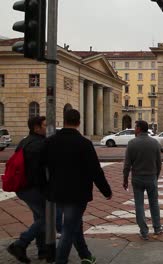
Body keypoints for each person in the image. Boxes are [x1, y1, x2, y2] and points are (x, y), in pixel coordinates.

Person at [43, 109, 112, 264]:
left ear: (64, 120)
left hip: (57, 191)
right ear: (79, 122)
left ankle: (85, 255)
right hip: (77, 193)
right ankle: (60, 260)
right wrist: (106, 191)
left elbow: (42, 166)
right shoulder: (84, 143)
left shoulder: (50, 141)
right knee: (69, 228)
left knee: (74, 224)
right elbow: (95, 170)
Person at [7, 116, 47, 263]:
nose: (47, 128)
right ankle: (20, 244)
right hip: (32, 188)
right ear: (36, 128)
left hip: (23, 187)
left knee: (39, 217)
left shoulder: (24, 141)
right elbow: (38, 172)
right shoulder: (38, 145)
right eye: (45, 125)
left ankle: (43, 250)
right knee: (46, 218)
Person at [123, 120, 163, 240]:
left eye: (135, 127)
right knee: (154, 203)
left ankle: (144, 232)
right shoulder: (155, 143)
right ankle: (157, 227)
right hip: (151, 177)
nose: (134, 130)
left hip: (137, 178)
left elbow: (127, 165)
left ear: (139, 128)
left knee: (139, 204)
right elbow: (159, 164)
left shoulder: (131, 143)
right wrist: (156, 176)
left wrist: (125, 179)